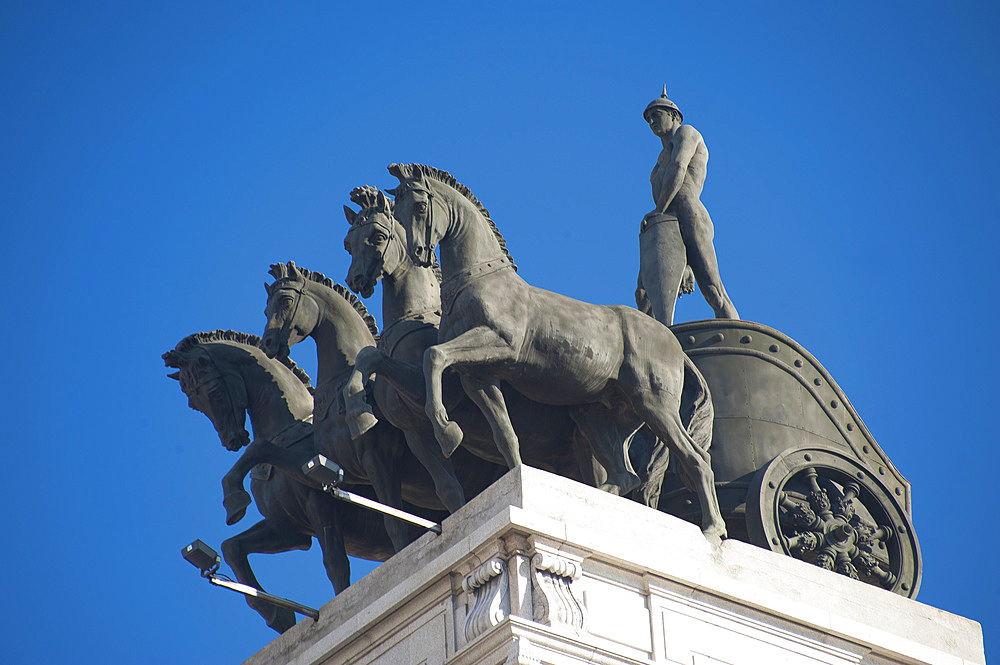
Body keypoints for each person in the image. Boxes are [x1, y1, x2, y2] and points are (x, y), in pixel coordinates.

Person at [636, 86, 739, 323]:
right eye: (649, 117)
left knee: (714, 292)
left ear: (674, 116)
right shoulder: (660, 159)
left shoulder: (687, 134)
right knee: (644, 294)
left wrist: (658, 211)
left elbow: (679, 169)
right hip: (668, 222)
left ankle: (735, 334)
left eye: (657, 114)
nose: (652, 120)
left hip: (690, 216)